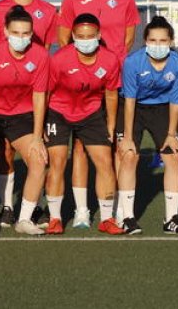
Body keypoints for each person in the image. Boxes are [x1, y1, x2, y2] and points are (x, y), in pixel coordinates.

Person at [57, 0, 139, 229]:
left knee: (115, 145)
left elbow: (128, 38)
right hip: (83, 85)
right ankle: (81, 210)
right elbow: (64, 36)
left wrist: (108, 64)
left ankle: (114, 208)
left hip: (114, 81)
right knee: (79, 148)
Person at [0, 0, 57, 226]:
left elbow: (44, 53)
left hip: (29, 97)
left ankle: (34, 206)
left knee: (38, 152)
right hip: (1, 95)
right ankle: (7, 207)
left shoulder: (48, 11)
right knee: (3, 153)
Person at [44, 13, 124, 236]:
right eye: (80, 36)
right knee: (57, 162)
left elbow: (110, 95)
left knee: (104, 162)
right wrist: (41, 124)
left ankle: (107, 218)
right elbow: (46, 93)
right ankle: (55, 218)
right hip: (58, 112)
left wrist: (110, 123)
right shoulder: (59, 59)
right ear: (73, 36)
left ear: (98, 35)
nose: (85, 40)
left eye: (90, 36)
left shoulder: (109, 59)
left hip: (91, 114)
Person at [0, 7, 48, 236]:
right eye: (16, 32)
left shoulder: (41, 56)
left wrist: (36, 137)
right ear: (5, 31)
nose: (21, 38)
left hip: (20, 115)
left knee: (38, 159)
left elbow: (39, 98)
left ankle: (24, 219)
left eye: (26, 33)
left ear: (32, 33)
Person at [116, 16, 178, 235]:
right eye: (153, 40)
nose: (157, 45)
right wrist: (128, 137)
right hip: (134, 108)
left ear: (171, 41)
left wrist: (171, 134)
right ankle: (127, 217)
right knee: (129, 155)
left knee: (173, 156)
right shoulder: (133, 62)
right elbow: (129, 101)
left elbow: (176, 103)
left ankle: (171, 220)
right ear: (145, 40)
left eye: (162, 40)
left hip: (162, 109)